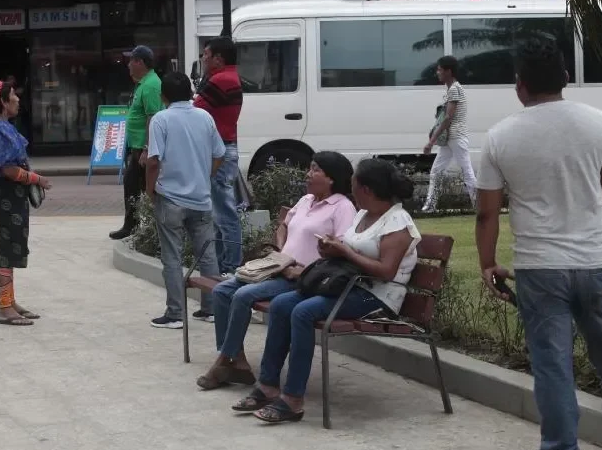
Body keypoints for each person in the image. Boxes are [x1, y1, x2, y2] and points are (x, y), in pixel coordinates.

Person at [474, 37, 602, 450]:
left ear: (519, 86)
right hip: (593, 257)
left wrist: (488, 262)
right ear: (565, 78)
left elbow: (486, 214)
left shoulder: (499, 137)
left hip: (539, 266)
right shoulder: (599, 122)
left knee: (552, 362)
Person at [233, 158, 421, 423]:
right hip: (347, 285)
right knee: (282, 304)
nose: (350, 186)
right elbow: (351, 250)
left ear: (365, 189)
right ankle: (268, 385)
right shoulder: (363, 214)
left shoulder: (397, 223)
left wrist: (344, 251)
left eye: (354, 182)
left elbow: (386, 272)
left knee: (302, 312)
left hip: (377, 296)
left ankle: (293, 399)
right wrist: (332, 248)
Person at [196, 151, 357, 390]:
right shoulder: (306, 200)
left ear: (331, 178)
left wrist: (306, 259)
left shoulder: (342, 207)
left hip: (302, 277)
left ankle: (223, 362)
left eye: (314, 169)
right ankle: (236, 360)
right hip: (277, 267)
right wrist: (282, 252)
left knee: (242, 295)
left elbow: (342, 246)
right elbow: (283, 225)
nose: (307, 174)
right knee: (222, 291)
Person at [146, 72, 226, 329]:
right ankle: (211, 308)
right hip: (201, 198)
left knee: (172, 257)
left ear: (164, 95)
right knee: (207, 255)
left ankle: (175, 313)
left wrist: (150, 190)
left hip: (170, 197)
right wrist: (205, 176)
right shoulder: (205, 117)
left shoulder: (161, 119)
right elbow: (219, 154)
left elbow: (153, 161)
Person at [0, 80, 52, 326]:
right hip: (5, 194)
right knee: (7, 247)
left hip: (12, 195)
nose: (18, 99)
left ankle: (10, 301)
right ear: (2, 102)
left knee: (12, 244)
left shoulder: (3, 126)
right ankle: (5, 307)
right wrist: (36, 179)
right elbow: (7, 170)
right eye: (13, 95)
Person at [193, 37, 244, 297]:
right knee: (220, 211)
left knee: (224, 211)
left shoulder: (221, 81)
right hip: (223, 149)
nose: (203, 59)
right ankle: (225, 264)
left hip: (220, 152)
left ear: (218, 59)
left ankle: (232, 266)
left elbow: (194, 108)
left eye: (206, 54)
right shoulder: (228, 78)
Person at [110, 45, 163, 240]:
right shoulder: (145, 82)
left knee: (136, 185)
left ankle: (135, 227)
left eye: (131, 61)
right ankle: (136, 226)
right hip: (138, 146)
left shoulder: (149, 86)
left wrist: (147, 149)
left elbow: (153, 118)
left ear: (140, 62)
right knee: (134, 185)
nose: (128, 65)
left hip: (144, 148)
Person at [422, 55, 478, 212]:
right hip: (450, 138)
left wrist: (431, 141)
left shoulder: (454, 89)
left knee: (467, 172)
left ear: (448, 71)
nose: (437, 72)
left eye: (440, 70)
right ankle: (429, 206)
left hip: (456, 136)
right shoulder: (452, 89)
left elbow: (447, 118)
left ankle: (479, 205)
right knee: (437, 171)